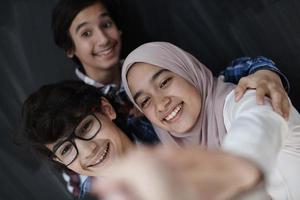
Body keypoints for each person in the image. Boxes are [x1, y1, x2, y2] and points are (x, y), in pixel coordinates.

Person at [21, 80, 271, 200]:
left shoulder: (160, 121)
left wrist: (264, 71)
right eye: (66, 150)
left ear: (106, 110)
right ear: (61, 163)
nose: (88, 151)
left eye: (86, 127)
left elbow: (208, 84)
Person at [121, 42, 300, 199]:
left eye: (164, 82)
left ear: (188, 70)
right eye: (145, 101)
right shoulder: (181, 162)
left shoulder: (246, 100)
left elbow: (258, 125)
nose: (161, 104)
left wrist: (226, 172)